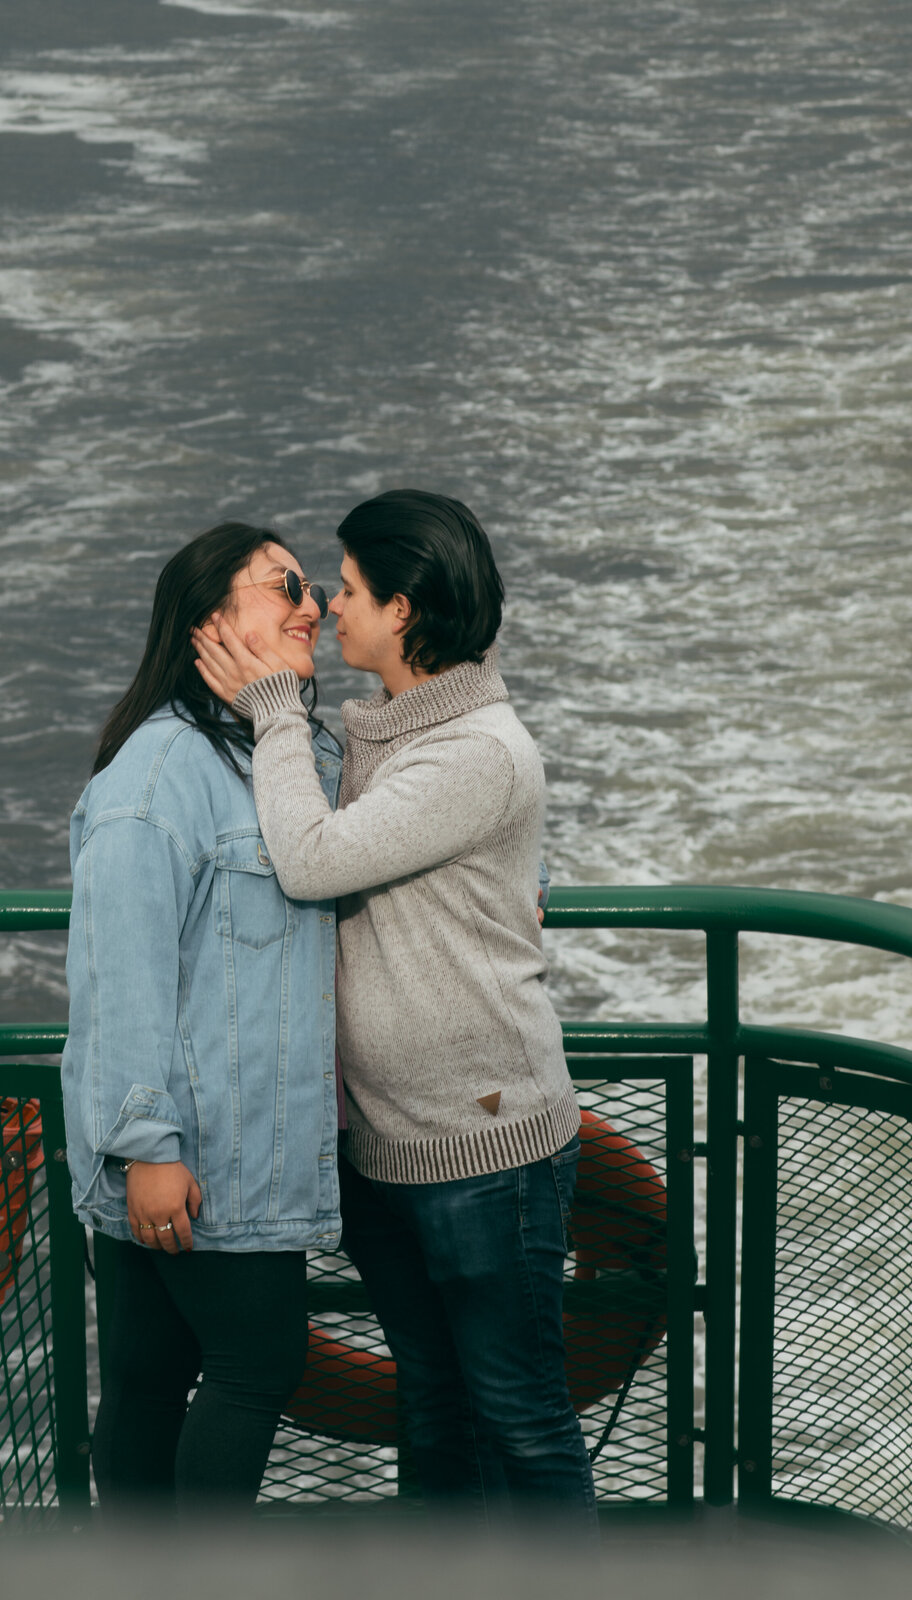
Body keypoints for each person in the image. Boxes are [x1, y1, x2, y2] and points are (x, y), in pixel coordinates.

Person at [192, 489, 597, 1529]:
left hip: (485, 1148)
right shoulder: (397, 732)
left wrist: (277, 709)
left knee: (522, 1418)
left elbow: (314, 859)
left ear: (405, 611)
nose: (328, 607)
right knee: (438, 1408)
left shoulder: (474, 751)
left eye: (352, 589)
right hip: (389, 1148)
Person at [60, 522, 342, 1516]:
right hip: (208, 1157)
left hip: (221, 1152)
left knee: (148, 1372)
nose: (313, 605)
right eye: (285, 587)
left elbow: (390, 829)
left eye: (309, 587)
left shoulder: (280, 753)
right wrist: (148, 1144)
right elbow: (121, 975)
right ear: (210, 624)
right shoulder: (157, 778)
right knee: (260, 1360)